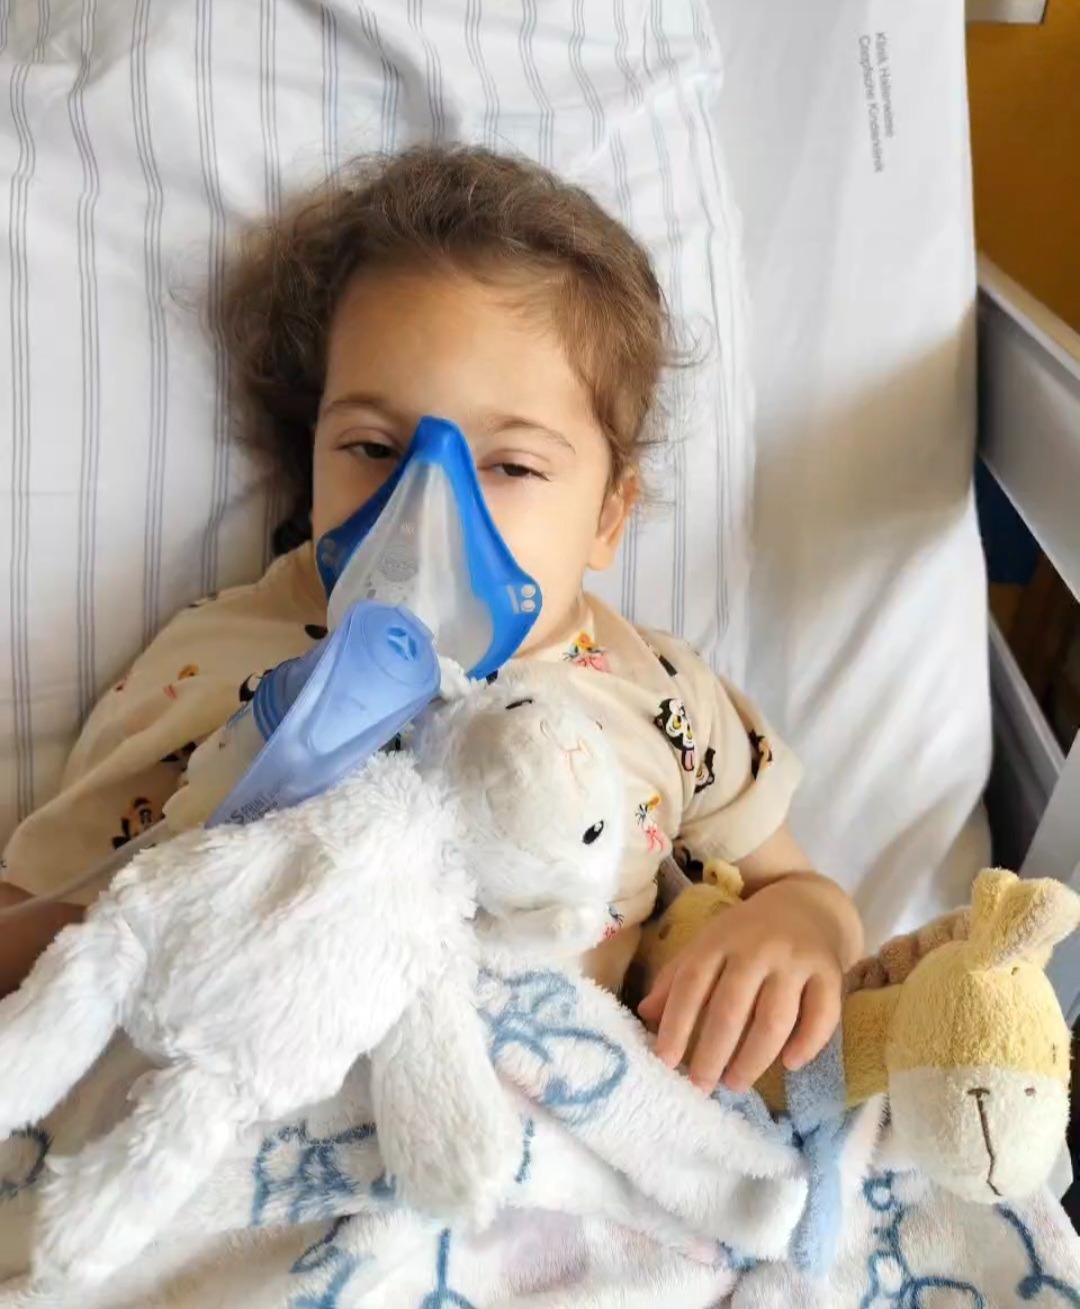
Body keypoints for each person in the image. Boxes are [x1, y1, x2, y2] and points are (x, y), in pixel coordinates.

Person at [0, 146, 863, 1096]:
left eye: (512, 465)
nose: (426, 510)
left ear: (609, 516)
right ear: (314, 454)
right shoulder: (214, 656)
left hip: (556, 1119)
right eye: (374, 447)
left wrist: (795, 929)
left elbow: (803, 890)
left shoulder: (663, 696)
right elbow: (36, 912)